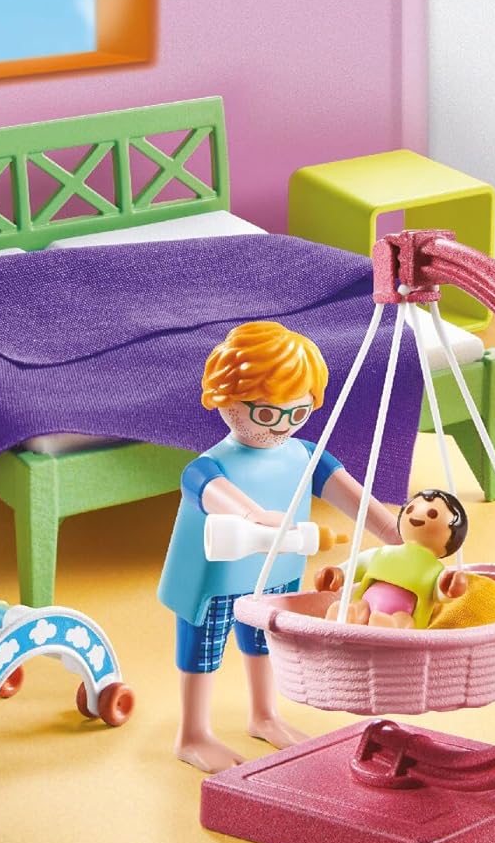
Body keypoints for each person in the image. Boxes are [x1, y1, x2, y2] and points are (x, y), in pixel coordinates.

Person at [158, 320, 399, 773]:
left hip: (277, 574)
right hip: (215, 580)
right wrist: (255, 517)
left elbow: (355, 497)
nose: (281, 427)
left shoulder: (304, 455)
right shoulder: (208, 466)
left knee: (266, 643)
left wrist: (396, 533)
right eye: (267, 414)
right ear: (224, 398)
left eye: (298, 413)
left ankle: (264, 714)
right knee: (201, 653)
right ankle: (192, 733)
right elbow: (218, 495)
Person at [315, 489, 469, 629]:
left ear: (453, 534)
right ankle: (348, 615)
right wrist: (338, 573)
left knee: (403, 621)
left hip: (403, 617)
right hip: (365, 606)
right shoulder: (382, 553)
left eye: (432, 514)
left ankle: (389, 625)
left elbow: (441, 592)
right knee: (358, 608)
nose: (417, 516)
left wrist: (449, 586)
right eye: (410, 509)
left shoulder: (435, 571)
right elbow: (358, 564)